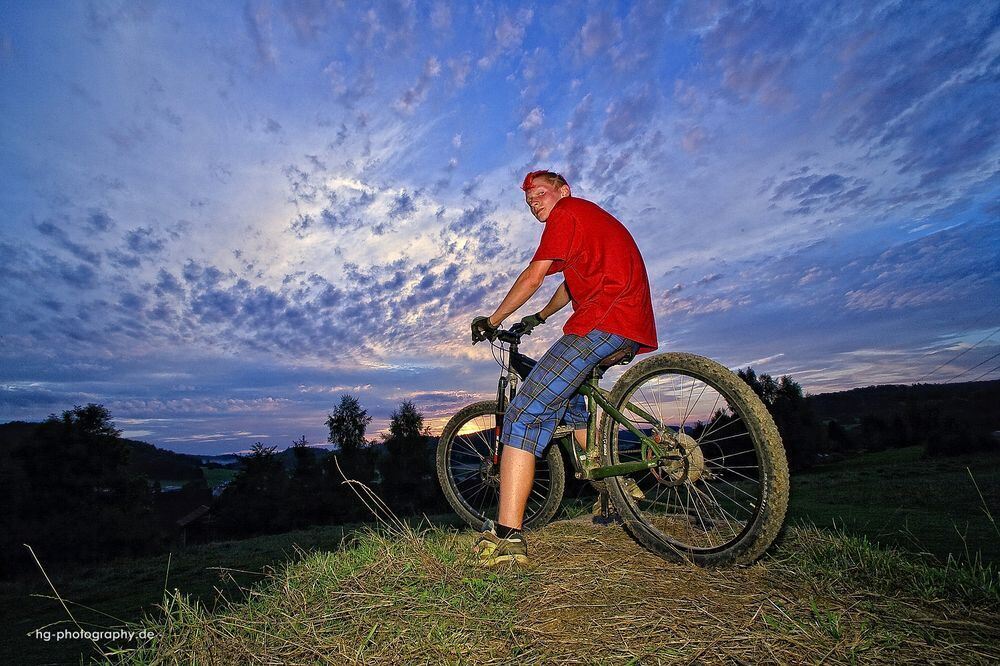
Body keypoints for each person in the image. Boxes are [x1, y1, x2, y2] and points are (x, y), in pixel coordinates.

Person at [470, 170, 657, 566]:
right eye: (529, 200)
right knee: (571, 407)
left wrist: (494, 319)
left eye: (540, 193)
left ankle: (507, 537)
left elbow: (534, 275)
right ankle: (616, 486)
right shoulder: (586, 221)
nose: (534, 202)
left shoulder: (567, 212)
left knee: (523, 412)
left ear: (563, 191)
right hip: (626, 323)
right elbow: (568, 286)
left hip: (602, 321)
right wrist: (537, 319)